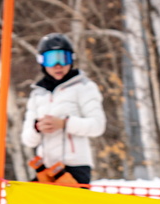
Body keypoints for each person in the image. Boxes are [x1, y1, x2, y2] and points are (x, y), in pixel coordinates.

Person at [21, 33, 106, 186]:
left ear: (71, 60)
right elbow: (28, 140)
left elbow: (97, 126)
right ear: (42, 62)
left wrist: (65, 124)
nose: (58, 65)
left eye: (63, 58)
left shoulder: (85, 87)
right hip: (46, 170)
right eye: (52, 59)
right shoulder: (37, 94)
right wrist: (37, 127)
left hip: (75, 167)